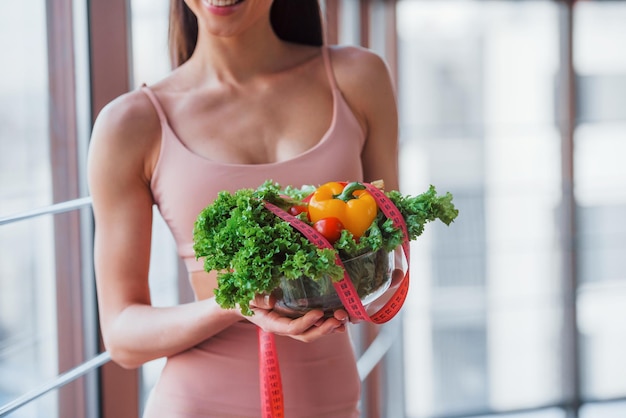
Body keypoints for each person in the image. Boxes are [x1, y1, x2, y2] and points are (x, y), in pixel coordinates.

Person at [87, 0, 399, 416]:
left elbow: (390, 246)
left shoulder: (357, 78)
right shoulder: (131, 123)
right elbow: (123, 338)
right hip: (196, 404)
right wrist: (239, 301)